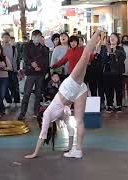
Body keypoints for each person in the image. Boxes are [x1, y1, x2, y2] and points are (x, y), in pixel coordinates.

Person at [24, 29, 101, 159]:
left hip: (69, 88)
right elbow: (71, 131)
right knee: (79, 121)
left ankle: (98, 32)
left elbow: (42, 135)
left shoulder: (47, 114)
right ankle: (77, 150)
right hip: (75, 91)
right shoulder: (58, 117)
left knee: (85, 55)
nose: (46, 126)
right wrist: (69, 148)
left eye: (44, 124)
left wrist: (35, 153)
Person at [18, 30, 50, 120]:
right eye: (35, 37)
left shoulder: (43, 47)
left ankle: (36, 112)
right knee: (27, 93)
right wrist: (32, 64)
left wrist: (40, 67)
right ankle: (22, 113)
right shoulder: (27, 46)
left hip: (40, 73)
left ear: (41, 38)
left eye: (39, 37)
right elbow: (25, 57)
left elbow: (46, 59)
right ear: (32, 37)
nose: (37, 38)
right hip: (31, 73)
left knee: (38, 94)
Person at [100, 33, 126, 112]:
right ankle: (110, 105)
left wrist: (114, 51)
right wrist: (107, 53)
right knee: (108, 90)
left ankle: (119, 105)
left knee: (118, 89)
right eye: (111, 37)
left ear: (117, 39)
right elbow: (103, 59)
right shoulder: (104, 48)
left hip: (117, 72)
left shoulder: (120, 48)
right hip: (107, 72)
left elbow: (122, 58)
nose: (112, 38)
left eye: (114, 37)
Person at [1, 32, 21, 107]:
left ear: (9, 38)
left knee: (15, 86)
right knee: (5, 87)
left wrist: (16, 69)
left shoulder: (13, 48)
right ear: (2, 38)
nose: (6, 38)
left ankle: (17, 100)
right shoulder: (0, 48)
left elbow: (16, 59)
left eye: (7, 37)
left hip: (12, 70)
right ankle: (8, 101)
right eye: (4, 37)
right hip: (3, 70)